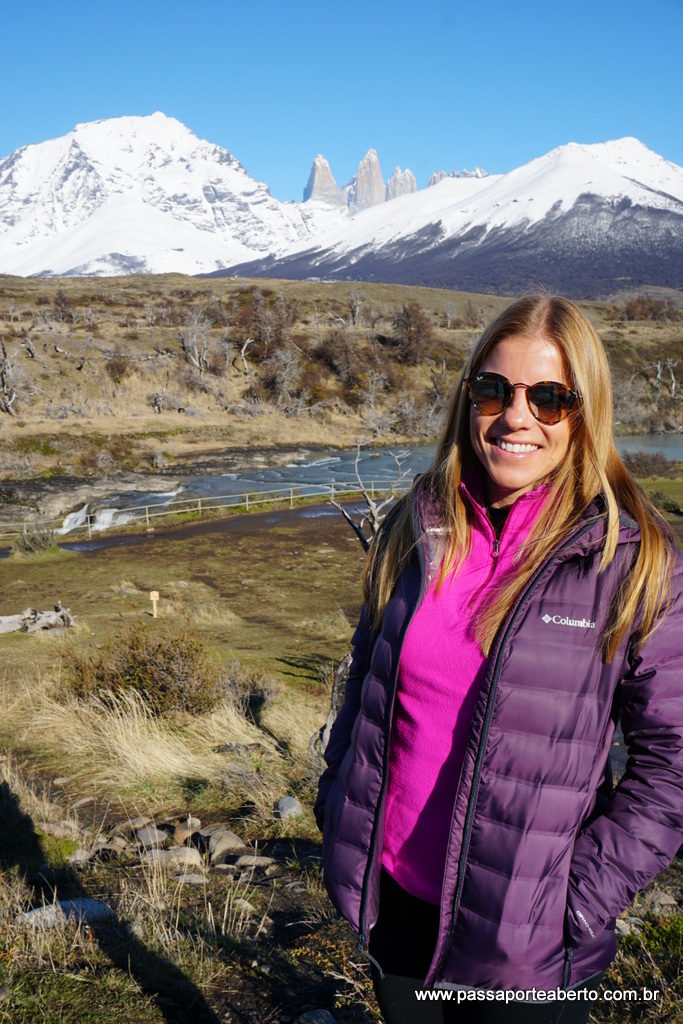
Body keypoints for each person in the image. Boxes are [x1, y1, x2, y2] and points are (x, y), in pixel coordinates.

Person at [314, 294, 683, 1024]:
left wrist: (575, 902)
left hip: (527, 944)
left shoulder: (635, 563)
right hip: (394, 911)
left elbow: (672, 762)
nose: (516, 417)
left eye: (549, 398)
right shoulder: (417, 525)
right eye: (494, 390)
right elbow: (367, 681)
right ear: (467, 399)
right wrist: (336, 806)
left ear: (585, 412)